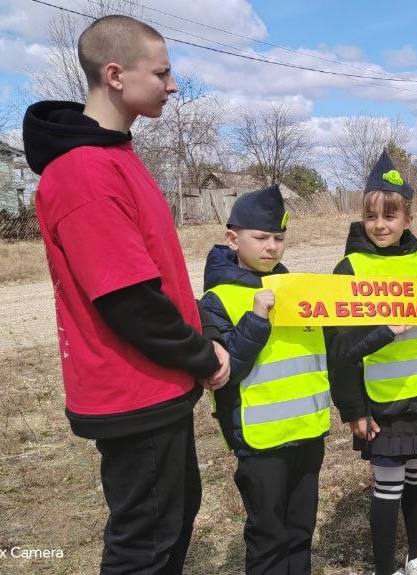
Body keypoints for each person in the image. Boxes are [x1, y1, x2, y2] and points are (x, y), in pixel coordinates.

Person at [21, 15, 229, 574]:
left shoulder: (117, 156)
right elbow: (129, 301)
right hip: (133, 391)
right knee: (145, 547)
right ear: (115, 74)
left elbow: (158, 277)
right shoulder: (84, 173)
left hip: (158, 381)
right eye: (161, 73)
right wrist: (203, 356)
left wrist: (201, 336)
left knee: (173, 522)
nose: (173, 85)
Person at [325, 151, 417, 575]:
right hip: (379, 403)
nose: (380, 225)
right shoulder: (349, 269)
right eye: (371, 216)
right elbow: (340, 352)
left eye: (390, 215)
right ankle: (384, 568)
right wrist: (354, 410)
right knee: (388, 487)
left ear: (408, 219)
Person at [198, 184, 330, 574]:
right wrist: (256, 319)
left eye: (279, 238)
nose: (271, 247)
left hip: (308, 432)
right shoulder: (216, 300)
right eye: (260, 238)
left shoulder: (297, 291)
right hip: (260, 443)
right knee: (268, 535)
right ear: (232, 239)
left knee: (300, 530)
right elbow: (224, 372)